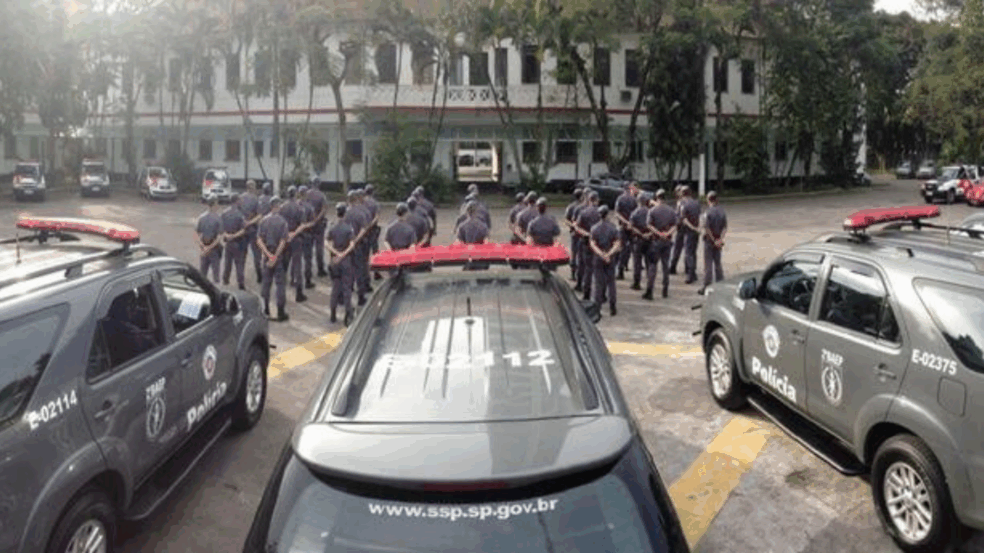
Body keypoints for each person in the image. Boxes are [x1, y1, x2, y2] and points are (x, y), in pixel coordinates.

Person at [257, 196, 289, 321]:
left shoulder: (264, 221)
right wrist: (275, 256)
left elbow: (259, 240)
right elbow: (282, 241)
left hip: (267, 256)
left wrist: (268, 255)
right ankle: (280, 312)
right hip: (278, 256)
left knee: (266, 283)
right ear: (277, 206)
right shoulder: (282, 222)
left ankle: (265, 309)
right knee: (280, 284)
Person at [327, 202, 356, 326]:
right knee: (346, 288)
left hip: (334, 260)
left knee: (335, 287)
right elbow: (352, 245)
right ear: (345, 213)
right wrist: (343, 254)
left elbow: (326, 243)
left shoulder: (332, 226)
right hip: (345, 260)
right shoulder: (348, 228)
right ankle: (348, 313)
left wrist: (335, 253)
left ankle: (333, 313)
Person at [645, 189, 677, 300]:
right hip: (667, 241)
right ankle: (665, 290)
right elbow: (675, 225)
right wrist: (667, 233)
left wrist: (658, 233)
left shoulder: (652, 211)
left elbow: (649, 225)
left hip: (656, 241)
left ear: (657, 198)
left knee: (653, 266)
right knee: (665, 266)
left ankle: (650, 291)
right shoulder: (671, 211)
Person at [590, 205, 621, 316]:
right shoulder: (613, 228)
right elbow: (617, 244)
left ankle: (597, 308)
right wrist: (609, 254)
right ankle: (613, 307)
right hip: (610, 258)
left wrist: (601, 254)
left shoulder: (594, 228)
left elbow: (592, 244)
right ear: (607, 214)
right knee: (611, 282)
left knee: (599, 283)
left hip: (598, 258)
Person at [279, 186, 308, 303]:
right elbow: (302, 225)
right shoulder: (300, 208)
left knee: (284, 266)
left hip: (285, 240)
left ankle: (281, 293)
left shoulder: (281, 208)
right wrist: (294, 233)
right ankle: (299, 294)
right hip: (296, 240)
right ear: (295, 194)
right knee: (297, 267)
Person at [344, 189, 370, 305]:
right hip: (358, 245)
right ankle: (361, 296)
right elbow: (364, 229)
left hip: (346, 245)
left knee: (348, 271)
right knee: (359, 270)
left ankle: (347, 294)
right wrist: (356, 240)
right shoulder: (360, 214)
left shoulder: (344, 213)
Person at [699, 191, 727, 295]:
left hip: (709, 242)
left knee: (708, 265)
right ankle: (721, 283)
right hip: (718, 241)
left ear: (708, 200)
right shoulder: (722, 211)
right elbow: (724, 227)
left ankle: (706, 286)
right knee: (718, 263)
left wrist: (713, 240)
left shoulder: (708, 213)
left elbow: (706, 228)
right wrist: (720, 239)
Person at [574, 191, 601, 297]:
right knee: (599, 270)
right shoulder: (601, 213)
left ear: (589, 200)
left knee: (587, 268)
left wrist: (587, 234)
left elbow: (577, 227)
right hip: (599, 243)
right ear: (597, 200)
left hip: (586, 242)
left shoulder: (583, 212)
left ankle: (586, 292)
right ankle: (601, 294)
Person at [221, 193, 248, 290]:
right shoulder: (240, 214)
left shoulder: (224, 213)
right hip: (238, 242)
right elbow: (243, 230)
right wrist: (233, 236)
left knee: (227, 263)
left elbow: (220, 229)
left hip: (228, 243)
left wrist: (227, 235)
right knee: (239, 265)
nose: (241, 201)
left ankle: (225, 280)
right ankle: (241, 284)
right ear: (236, 201)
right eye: (240, 200)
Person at [614, 182, 639, 280]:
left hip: (623, 227)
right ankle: (636, 274)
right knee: (634, 250)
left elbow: (617, 213)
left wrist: (625, 222)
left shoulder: (620, 199)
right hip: (633, 228)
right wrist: (631, 223)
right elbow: (637, 214)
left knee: (621, 248)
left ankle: (620, 270)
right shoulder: (634, 199)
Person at [196, 195, 223, 283]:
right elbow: (219, 237)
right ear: (215, 204)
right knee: (216, 275)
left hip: (204, 247)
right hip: (214, 249)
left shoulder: (201, 217)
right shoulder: (218, 218)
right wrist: (210, 247)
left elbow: (197, 234)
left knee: (202, 274)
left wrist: (203, 247)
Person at [241, 180, 264, 283]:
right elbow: (259, 215)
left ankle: (240, 276)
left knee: (242, 254)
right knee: (256, 254)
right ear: (253, 187)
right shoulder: (256, 199)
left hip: (242, 230)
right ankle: (259, 276)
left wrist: (244, 222)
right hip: (253, 229)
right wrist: (250, 222)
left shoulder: (240, 198)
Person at [305, 181, 329, 277]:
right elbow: (324, 209)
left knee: (308, 248)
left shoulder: (306, 194)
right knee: (319, 247)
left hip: (308, 224)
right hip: (319, 224)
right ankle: (320, 269)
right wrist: (317, 219)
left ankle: (308, 271)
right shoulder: (322, 196)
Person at [628, 191, 652, 291]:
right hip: (649, 240)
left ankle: (637, 283)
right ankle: (649, 283)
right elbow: (654, 226)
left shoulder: (634, 213)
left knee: (637, 263)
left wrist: (640, 234)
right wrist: (648, 234)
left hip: (638, 240)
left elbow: (630, 227)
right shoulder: (651, 212)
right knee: (648, 263)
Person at [678, 186, 701, 284]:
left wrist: (692, 227)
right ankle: (694, 273)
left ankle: (690, 275)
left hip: (688, 231)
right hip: (696, 231)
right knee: (693, 252)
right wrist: (698, 228)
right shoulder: (697, 203)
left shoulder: (684, 205)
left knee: (688, 254)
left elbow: (684, 219)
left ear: (682, 194)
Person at [297, 186, 317, 290]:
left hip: (295, 236)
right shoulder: (309, 207)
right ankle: (308, 281)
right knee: (307, 259)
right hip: (307, 236)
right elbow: (313, 222)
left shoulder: (294, 206)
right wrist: (305, 226)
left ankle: (294, 280)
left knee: (296, 260)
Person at [564, 188, 584, 280]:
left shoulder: (570, 207)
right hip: (582, 234)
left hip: (574, 233)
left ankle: (573, 274)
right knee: (581, 254)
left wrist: (573, 227)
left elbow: (566, 220)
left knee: (574, 253)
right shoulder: (583, 207)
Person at [669, 185, 686, 274]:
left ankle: (672, 267)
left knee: (677, 248)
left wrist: (675, 225)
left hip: (681, 228)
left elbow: (679, 217)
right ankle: (688, 269)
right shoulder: (686, 201)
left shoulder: (681, 203)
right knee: (687, 249)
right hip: (686, 228)